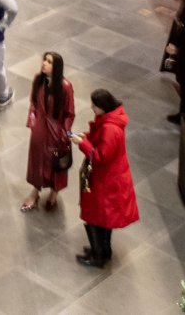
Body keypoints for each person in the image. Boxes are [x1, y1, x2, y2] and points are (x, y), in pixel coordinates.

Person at [75, 89, 139, 268]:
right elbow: (100, 141)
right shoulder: (111, 122)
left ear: (103, 107)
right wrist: (86, 137)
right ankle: (104, 249)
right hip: (111, 177)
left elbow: (101, 156)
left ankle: (98, 255)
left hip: (105, 180)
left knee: (95, 215)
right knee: (104, 217)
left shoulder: (110, 128)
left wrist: (83, 144)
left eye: (94, 105)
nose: (91, 108)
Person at [21, 51, 75, 213]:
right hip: (40, 129)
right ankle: (35, 191)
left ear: (56, 66)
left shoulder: (65, 87)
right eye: (44, 60)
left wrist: (63, 132)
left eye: (49, 62)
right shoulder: (39, 80)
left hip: (56, 131)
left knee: (56, 162)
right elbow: (34, 102)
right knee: (36, 160)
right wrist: (33, 120)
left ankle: (54, 192)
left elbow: (69, 113)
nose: (44, 63)